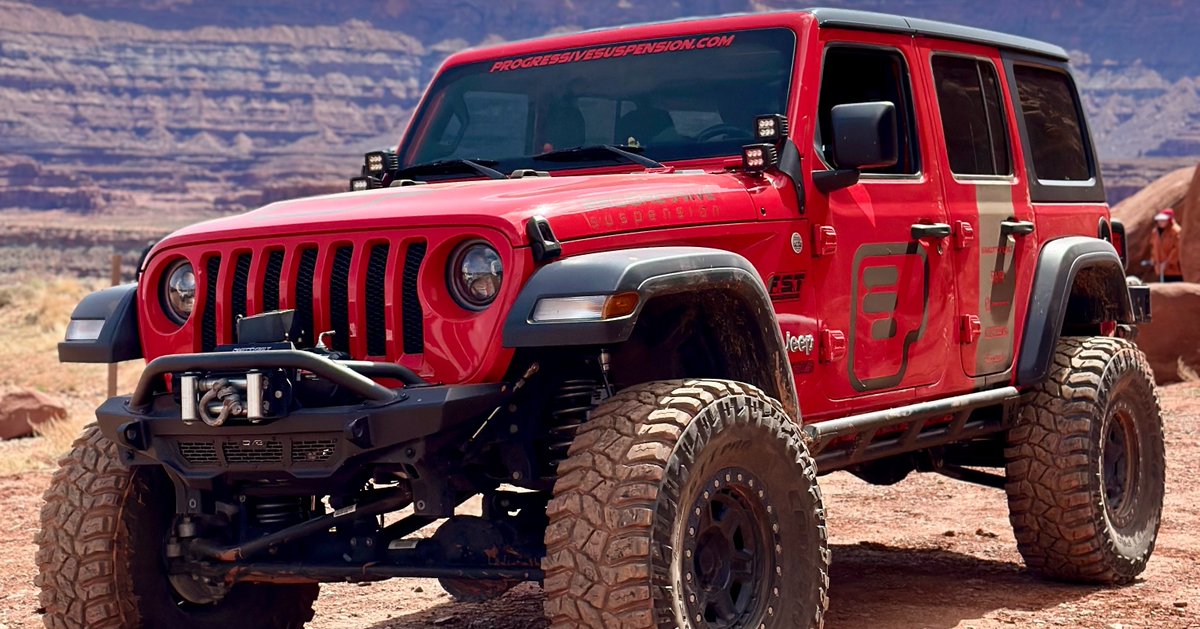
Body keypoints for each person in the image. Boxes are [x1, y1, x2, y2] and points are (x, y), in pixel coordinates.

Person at [1150, 208, 1183, 282]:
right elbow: (1153, 246)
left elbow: (1177, 249)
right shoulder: (1155, 232)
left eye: (1163, 220)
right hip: (1160, 270)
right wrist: (1153, 259)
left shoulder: (1176, 231)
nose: (1160, 222)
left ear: (1169, 220)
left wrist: (1167, 263)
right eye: (1159, 220)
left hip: (1174, 271)